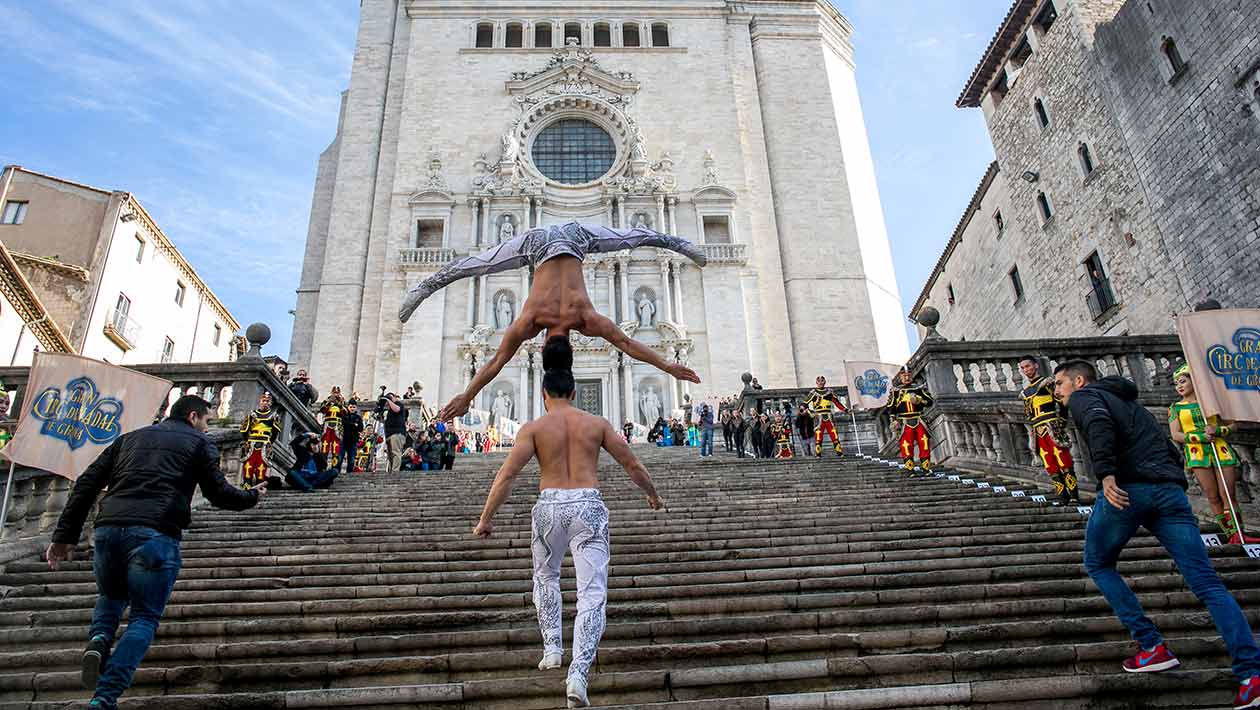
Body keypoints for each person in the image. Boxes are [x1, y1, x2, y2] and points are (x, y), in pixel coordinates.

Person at [1053, 359, 1260, 709]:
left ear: (1079, 381)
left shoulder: (1085, 397)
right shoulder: (1132, 403)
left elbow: (1099, 425)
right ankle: (1251, 674)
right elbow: (1167, 446)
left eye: (1060, 383)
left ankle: (1152, 645)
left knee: (1098, 563)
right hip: (1170, 492)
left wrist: (1106, 474)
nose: (1057, 391)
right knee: (1208, 584)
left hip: (1127, 489)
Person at [472, 336, 664, 708]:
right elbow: (633, 464)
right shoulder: (596, 424)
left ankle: (552, 648)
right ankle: (578, 674)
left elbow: (507, 476)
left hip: (549, 508)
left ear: (544, 393)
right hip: (587, 508)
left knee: (546, 576)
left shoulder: (533, 429)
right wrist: (653, 495)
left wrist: (485, 519)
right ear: (574, 393)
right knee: (592, 593)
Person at [44, 395, 264, 710]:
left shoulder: (129, 438)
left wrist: (64, 536)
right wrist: (251, 496)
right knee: (144, 618)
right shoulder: (199, 443)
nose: (207, 428)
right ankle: (105, 697)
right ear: (192, 417)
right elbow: (218, 493)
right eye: (206, 421)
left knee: (110, 596)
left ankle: (99, 640)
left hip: (107, 531)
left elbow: (87, 484)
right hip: (156, 533)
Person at [404, 221, 706, 422]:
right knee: (478, 265)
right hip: (542, 243)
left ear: (571, 348)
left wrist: (668, 367)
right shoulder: (532, 320)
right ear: (545, 343)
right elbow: (497, 363)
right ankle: (679, 244)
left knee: (476, 265)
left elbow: (627, 344)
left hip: (572, 239)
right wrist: (466, 397)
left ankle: (425, 287)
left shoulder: (584, 318)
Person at [1169, 363, 1259, 544]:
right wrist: (1199, 437)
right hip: (1197, 453)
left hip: (1220, 449)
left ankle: (1239, 533)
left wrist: (1218, 430)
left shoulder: (1210, 403)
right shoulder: (1175, 408)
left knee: (1228, 493)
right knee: (1213, 496)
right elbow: (1176, 434)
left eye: (1183, 381)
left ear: (1194, 381)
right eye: (1176, 383)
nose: (1179, 386)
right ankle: (1229, 534)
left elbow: (1233, 425)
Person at [1018, 355, 1080, 506]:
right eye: (1023, 368)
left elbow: (1062, 402)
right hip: (1037, 431)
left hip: (1052, 426)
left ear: (1036, 365)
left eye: (1028, 366)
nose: (1026, 370)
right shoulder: (1025, 391)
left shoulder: (1047, 383)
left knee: (1064, 461)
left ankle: (1074, 496)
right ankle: (1063, 496)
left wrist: (1061, 423)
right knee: (1050, 465)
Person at [887, 369, 935, 473]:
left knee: (924, 443)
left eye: (908, 375)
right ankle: (910, 469)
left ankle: (926, 468)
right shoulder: (896, 391)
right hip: (904, 421)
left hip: (919, 419)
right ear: (900, 377)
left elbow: (930, 402)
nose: (907, 378)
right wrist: (893, 420)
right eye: (904, 376)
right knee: (906, 445)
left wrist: (920, 400)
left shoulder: (919, 388)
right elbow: (891, 407)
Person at [238, 392, 278, 488]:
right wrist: (246, 441)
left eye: (267, 401)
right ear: (260, 402)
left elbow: (275, 432)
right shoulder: (252, 414)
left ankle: (259, 484)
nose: (265, 403)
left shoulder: (273, 416)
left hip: (264, 442)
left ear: (270, 403)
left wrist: (270, 443)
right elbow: (244, 430)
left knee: (261, 465)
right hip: (252, 442)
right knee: (249, 464)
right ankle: (247, 483)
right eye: (263, 401)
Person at [804, 376, 846, 458]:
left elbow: (837, 403)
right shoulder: (813, 393)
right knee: (819, 435)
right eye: (819, 381)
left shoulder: (829, 392)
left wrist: (846, 410)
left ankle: (839, 452)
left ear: (825, 382)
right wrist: (810, 412)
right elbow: (804, 403)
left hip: (829, 416)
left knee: (834, 434)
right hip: (818, 416)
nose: (820, 382)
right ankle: (818, 454)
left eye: (822, 381)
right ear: (816, 382)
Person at [318, 387, 347, 470]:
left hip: (337, 425)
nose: (336, 394)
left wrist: (340, 403)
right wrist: (329, 402)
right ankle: (322, 466)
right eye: (334, 392)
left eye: (337, 392)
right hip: (327, 424)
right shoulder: (327, 400)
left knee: (336, 446)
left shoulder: (342, 401)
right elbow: (322, 410)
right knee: (325, 445)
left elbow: (345, 413)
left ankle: (334, 467)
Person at [382, 392, 408, 473]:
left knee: (396, 453)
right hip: (389, 434)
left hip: (397, 433)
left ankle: (395, 471)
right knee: (390, 455)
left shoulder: (399, 404)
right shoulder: (389, 411)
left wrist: (389, 400)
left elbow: (397, 409)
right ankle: (391, 471)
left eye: (390, 397)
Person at [340, 401, 365, 474]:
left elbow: (360, 428)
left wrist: (351, 425)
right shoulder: (344, 416)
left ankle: (350, 473)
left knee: (351, 459)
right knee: (340, 457)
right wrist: (354, 425)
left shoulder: (358, 417)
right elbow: (343, 424)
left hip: (353, 440)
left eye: (354, 407)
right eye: (350, 407)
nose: (352, 409)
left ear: (356, 408)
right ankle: (337, 472)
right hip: (344, 439)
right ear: (348, 407)